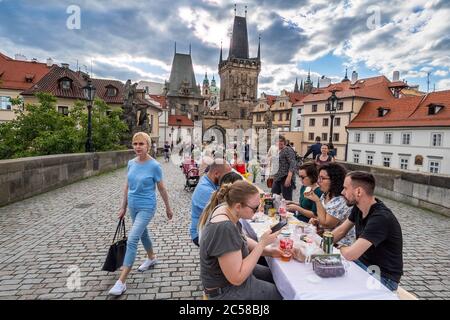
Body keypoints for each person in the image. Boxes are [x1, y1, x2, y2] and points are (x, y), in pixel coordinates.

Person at [108, 132, 173, 296]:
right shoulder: (131, 163)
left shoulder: (154, 166)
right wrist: (123, 207)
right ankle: (151, 257)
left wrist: (168, 207)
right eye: (135, 143)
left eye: (141, 144)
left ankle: (121, 281)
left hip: (147, 206)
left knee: (133, 238)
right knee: (143, 234)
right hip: (132, 206)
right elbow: (127, 186)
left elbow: (162, 188)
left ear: (148, 146)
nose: (137, 147)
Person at [200, 181, 283, 300]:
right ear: (238, 206)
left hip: (229, 282)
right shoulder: (224, 227)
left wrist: (270, 251)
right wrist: (262, 244)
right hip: (225, 291)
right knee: (281, 294)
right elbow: (237, 278)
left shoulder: (225, 209)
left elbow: (242, 239)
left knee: (276, 276)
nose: (258, 211)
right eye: (255, 208)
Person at [333, 171, 403, 291]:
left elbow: (350, 254)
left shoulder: (381, 218)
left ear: (358, 191)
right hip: (364, 265)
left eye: (345, 188)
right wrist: (321, 241)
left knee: (334, 285)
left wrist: (338, 247)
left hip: (384, 278)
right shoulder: (359, 207)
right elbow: (341, 231)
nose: (342, 192)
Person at [304, 163, 355, 246]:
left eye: (322, 178)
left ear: (334, 180)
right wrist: (316, 221)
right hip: (326, 240)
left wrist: (317, 201)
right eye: (319, 177)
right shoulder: (326, 194)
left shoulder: (341, 200)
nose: (318, 181)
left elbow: (326, 223)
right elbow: (322, 217)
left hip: (340, 245)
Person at [190, 160, 232, 246]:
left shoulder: (208, 179)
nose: (229, 179)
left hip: (208, 227)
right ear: (216, 174)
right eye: (227, 176)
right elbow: (227, 211)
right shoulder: (206, 190)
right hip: (200, 233)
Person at [271, 135, 297, 201]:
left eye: (281, 141)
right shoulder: (277, 150)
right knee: (274, 196)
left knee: (287, 199)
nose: (279, 142)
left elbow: (293, 163)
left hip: (285, 177)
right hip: (277, 177)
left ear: (284, 142)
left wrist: (289, 177)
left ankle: (291, 211)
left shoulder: (288, 149)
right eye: (277, 141)